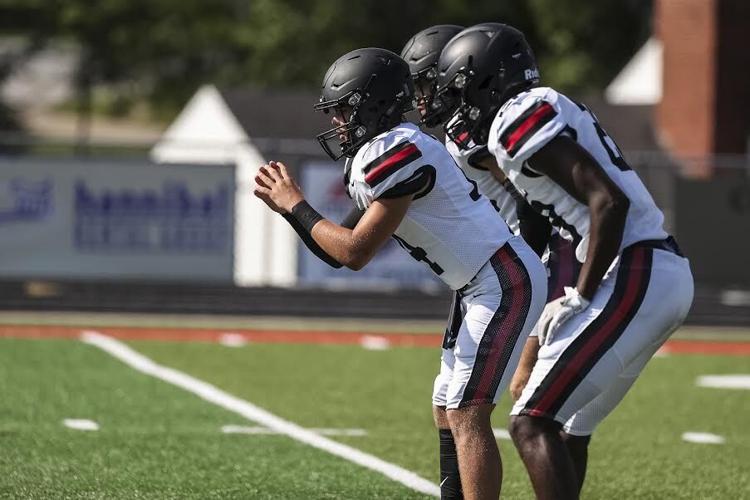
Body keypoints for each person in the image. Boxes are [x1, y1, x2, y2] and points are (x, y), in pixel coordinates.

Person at [253, 47, 548, 500]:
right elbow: (337, 253)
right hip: (477, 283)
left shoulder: (397, 150)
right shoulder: (390, 149)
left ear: (373, 105)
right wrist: (292, 211)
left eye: (343, 110)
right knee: (446, 407)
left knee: (468, 411)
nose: (336, 122)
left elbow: (354, 252)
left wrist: (295, 205)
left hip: (502, 280)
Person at [435, 24, 694, 500]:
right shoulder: (531, 112)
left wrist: (582, 294)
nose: (455, 103)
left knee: (530, 423)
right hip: (655, 269)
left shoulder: (517, 115)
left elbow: (607, 203)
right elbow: (547, 220)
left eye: (458, 89)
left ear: (487, 81)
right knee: (566, 426)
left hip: (636, 270)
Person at [401, 23, 581, 413]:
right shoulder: (456, 130)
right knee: (448, 395)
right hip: (500, 261)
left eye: (424, 85)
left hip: (531, 258)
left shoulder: (471, 131)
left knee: (523, 398)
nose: (418, 98)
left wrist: (520, 257)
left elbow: (529, 203)